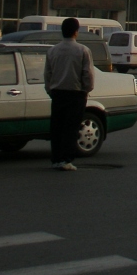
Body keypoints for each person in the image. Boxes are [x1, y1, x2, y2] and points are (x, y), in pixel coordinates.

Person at [43, 17, 95, 171]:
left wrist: (50, 90)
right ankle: (66, 159)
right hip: (76, 94)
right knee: (71, 128)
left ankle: (56, 158)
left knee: (57, 127)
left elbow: (47, 74)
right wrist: (86, 89)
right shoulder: (83, 50)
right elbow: (88, 74)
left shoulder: (52, 50)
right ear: (76, 32)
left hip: (57, 93)